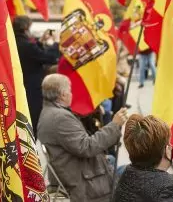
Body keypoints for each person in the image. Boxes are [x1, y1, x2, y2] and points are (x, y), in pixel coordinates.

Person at [38, 74, 128, 202]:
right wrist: (115, 125)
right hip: (81, 180)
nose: (71, 94)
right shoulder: (60, 117)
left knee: (112, 160)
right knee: (132, 173)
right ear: (63, 95)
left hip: (75, 170)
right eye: (69, 91)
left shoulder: (50, 111)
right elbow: (88, 147)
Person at [13, 16, 59, 137]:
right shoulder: (27, 46)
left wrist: (40, 42)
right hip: (32, 89)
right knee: (33, 121)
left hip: (17, 86)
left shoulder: (13, 42)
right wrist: (55, 43)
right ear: (25, 28)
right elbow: (49, 57)